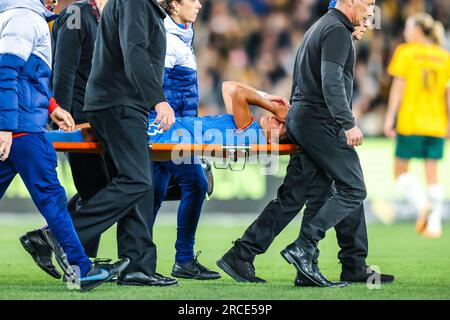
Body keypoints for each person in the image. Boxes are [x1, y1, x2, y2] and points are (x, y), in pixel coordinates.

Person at [217, 5, 394, 287]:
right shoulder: (336, 31)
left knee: (306, 193)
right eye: (368, 3)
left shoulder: (323, 27)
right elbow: (331, 81)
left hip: (306, 120)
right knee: (353, 188)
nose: (371, 12)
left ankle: (245, 254)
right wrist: (347, 122)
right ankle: (308, 250)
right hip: (321, 122)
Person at [0, 0, 127, 291]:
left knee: (53, 200)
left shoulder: (17, 16)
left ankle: (80, 269)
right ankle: (81, 271)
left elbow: (26, 77)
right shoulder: (24, 18)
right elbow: (6, 74)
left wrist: (52, 106)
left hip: (17, 124)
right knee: (53, 200)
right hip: (20, 129)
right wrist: (5, 127)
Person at [59, 0, 177, 287]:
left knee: (128, 185)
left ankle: (133, 264)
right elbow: (64, 67)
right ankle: (73, 260)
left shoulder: (119, 10)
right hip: (85, 114)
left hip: (111, 107)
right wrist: (60, 112)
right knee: (100, 188)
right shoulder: (78, 13)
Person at [152, 0, 220, 280]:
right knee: (196, 182)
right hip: (170, 131)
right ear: (174, 5)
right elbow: (157, 85)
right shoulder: (167, 38)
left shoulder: (181, 34)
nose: (199, 4)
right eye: (191, 0)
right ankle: (182, 259)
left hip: (175, 130)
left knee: (153, 193)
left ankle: (135, 260)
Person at [384, 13, 450, 239]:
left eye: (408, 27)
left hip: (411, 121)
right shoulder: (444, 56)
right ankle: (435, 226)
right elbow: (448, 94)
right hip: (436, 123)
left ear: (418, 30)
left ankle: (423, 205)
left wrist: (389, 117)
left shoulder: (405, 52)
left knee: (400, 172)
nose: (405, 31)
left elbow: (397, 88)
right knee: (432, 175)